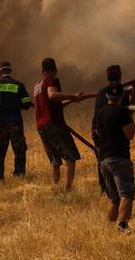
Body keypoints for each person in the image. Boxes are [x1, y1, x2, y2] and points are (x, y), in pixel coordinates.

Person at [33, 57, 85, 190]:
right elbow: (52, 96)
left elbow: (49, 105)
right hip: (54, 124)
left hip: (41, 126)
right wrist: (73, 96)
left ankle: (55, 187)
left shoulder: (37, 85)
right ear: (55, 70)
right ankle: (68, 189)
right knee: (70, 157)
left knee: (55, 161)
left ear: (43, 71)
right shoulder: (52, 79)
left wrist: (73, 100)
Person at [95, 82, 135, 231]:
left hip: (104, 160)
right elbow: (130, 134)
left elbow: (98, 134)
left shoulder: (100, 114)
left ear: (107, 96)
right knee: (127, 194)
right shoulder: (121, 112)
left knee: (115, 199)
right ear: (121, 96)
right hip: (119, 159)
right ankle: (122, 226)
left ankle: (108, 228)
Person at [0, 61, 32, 180]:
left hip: (0, 123)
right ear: (10, 71)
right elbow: (26, 104)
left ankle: (0, 178)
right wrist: (16, 104)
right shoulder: (19, 85)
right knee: (19, 151)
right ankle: (19, 175)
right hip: (15, 122)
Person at [91, 65, 130, 192]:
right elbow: (125, 116)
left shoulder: (100, 93)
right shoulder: (121, 92)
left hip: (97, 130)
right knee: (119, 158)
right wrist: (133, 97)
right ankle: (119, 188)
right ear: (120, 75)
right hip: (114, 132)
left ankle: (105, 188)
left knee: (102, 159)